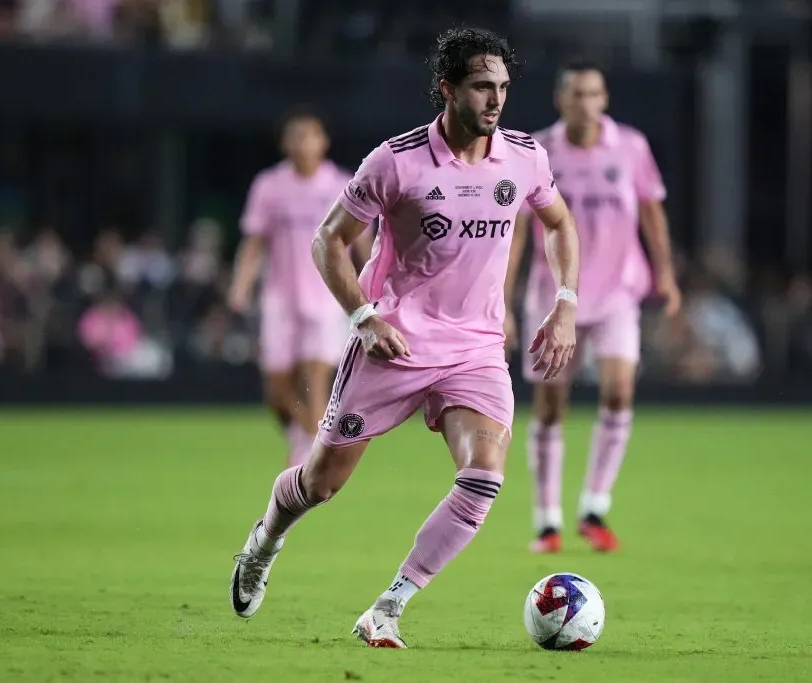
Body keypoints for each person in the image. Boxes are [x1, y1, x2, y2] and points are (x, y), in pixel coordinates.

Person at [229, 27, 580, 648]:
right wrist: (365, 316)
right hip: (395, 342)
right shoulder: (397, 160)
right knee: (321, 483)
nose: (495, 100)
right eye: (481, 87)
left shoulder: (525, 156)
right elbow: (328, 241)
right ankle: (266, 539)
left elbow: (558, 223)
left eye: (502, 87)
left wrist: (564, 303)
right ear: (447, 89)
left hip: (474, 347)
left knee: (485, 474)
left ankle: (387, 608)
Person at [505, 59, 681, 554]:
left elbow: (651, 211)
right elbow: (517, 230)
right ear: (561, 100)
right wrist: (501, 297)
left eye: (596, 93)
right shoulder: (538, 150)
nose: (588, 103)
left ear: (605, 99)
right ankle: (547, 520)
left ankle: (595, 507)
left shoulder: (630, 147)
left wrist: (665, 273)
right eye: (578, 94)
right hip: (554, 295)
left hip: (619, 290)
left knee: (620, 391)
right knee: (550, 403)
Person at [229, 107, 371, 467]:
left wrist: (372, 287)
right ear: (284, 142)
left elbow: (363, 243)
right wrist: (240, 287)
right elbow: (254, 242)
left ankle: (314, 459)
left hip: (328, 297)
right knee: (277, 392)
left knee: (315, 377)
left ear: (323, 141)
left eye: (309, 135)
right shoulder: (269, 186)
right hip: (280, 298)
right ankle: (303, 437)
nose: (302, 143)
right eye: (295, 135)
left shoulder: (341, 185)